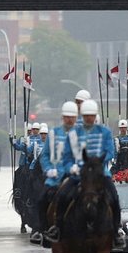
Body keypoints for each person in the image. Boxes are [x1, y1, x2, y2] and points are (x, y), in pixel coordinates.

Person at [44, 99, 125, 248]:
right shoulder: (74, 133)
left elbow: (109, 152)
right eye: (86, 115)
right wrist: (71, 168)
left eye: (91, 115)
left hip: (100, 173)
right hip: (79, 173)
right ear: (82, 116)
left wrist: (97, 163)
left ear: (95, 116)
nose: (88, 118)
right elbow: (66, 157)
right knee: (62, 195)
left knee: (114, 197)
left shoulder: (105, 132)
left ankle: (116, 231)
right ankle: (57, 228)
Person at [30, 101, 79, 245]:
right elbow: (45, 155)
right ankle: (43, 231)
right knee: (42, 200)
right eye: (67, 117)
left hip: (76, 176)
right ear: (62, 117)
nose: (69, 120)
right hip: (57, 176)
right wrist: (48, 169)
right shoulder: (53, 134)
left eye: (72, 117)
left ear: (76, 118)